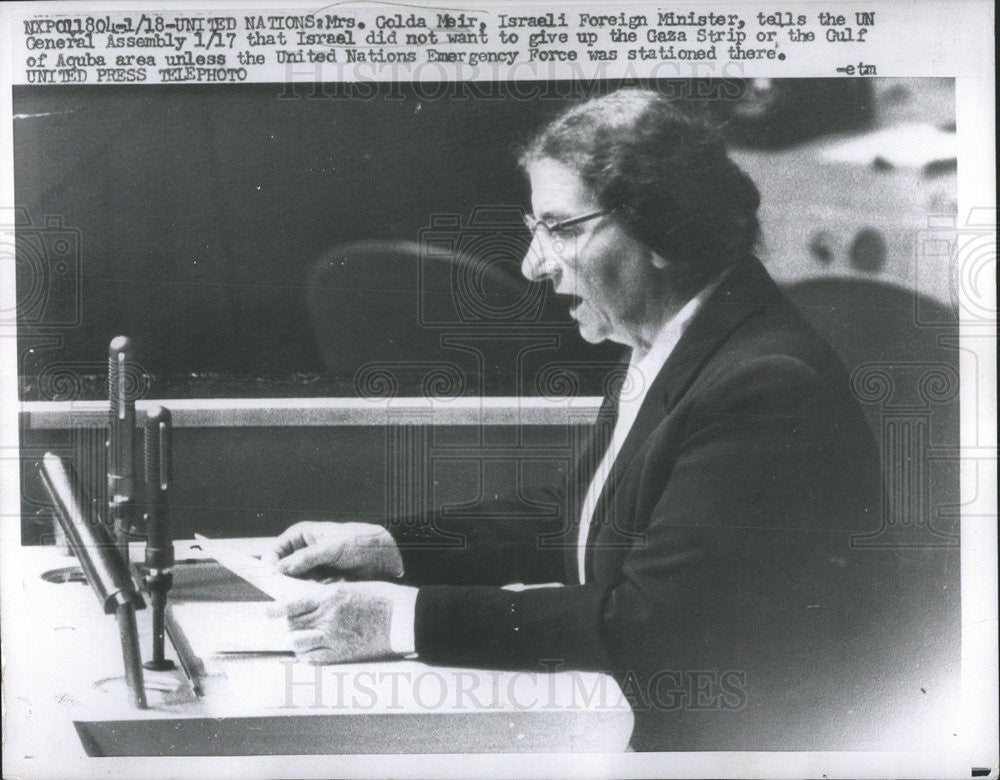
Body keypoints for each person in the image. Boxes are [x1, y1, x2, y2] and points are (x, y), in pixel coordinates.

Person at [266, 89, 896, 751]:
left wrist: (407, 621)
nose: (531, 265)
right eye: (534, 229)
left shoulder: (764, 385)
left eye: (562, 228)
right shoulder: (667, 341)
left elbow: (651, 620)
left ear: (665, 229)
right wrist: (390, 547)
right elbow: (585, 513)